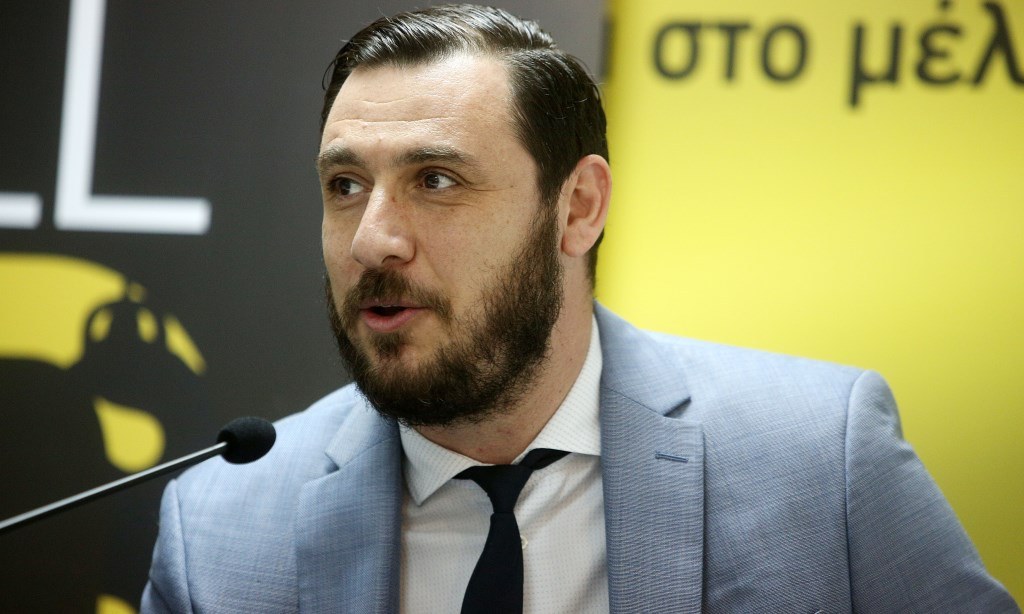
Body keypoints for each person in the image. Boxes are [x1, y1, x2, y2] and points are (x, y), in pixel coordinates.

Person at [141, 5, 1018, 613]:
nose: (373, 241)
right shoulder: (220, 527)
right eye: (345, 185)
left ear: (578, 208)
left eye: (436, 180)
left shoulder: (820, 458)